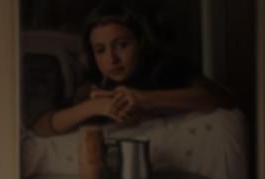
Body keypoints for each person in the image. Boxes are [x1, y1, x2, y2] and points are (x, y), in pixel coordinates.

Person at [31, 3, 234, 138]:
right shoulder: (92, 88)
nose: (112, 59)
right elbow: (39, 129)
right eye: (100, 50)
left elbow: (222, 99)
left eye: (121, 45)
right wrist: (95, 106)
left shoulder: (168, 70)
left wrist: (145, 99)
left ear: (141, 44)